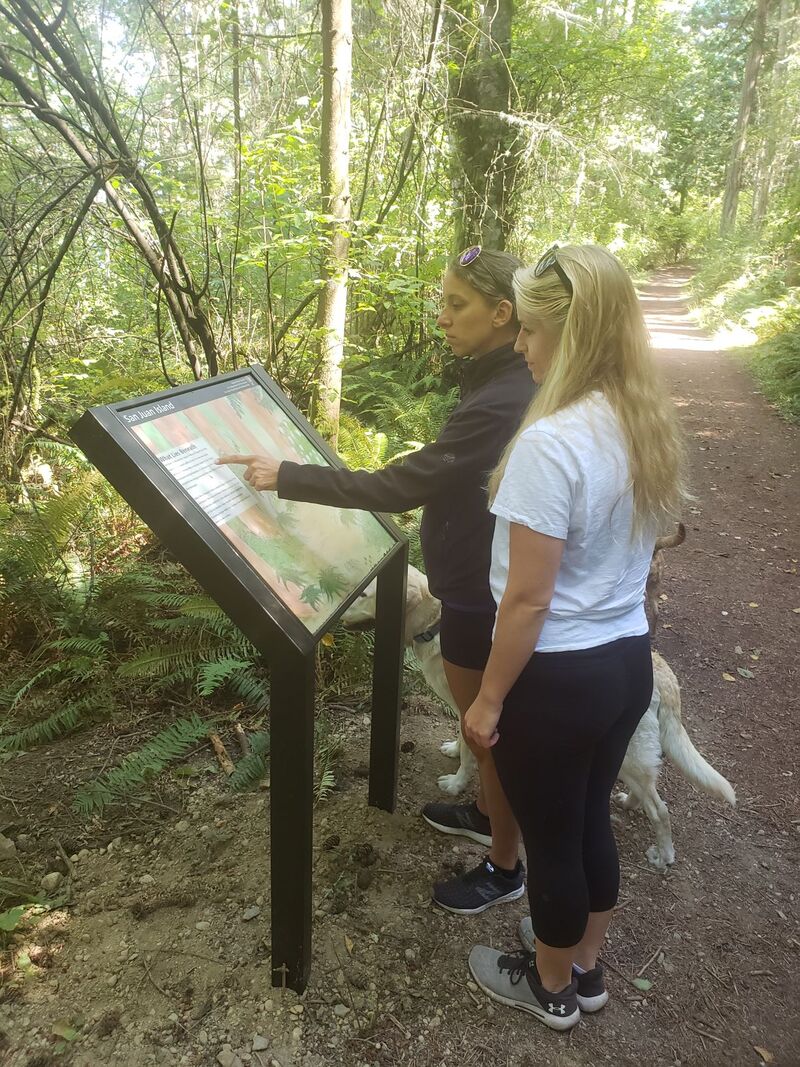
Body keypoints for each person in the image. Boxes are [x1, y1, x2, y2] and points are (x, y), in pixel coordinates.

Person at [218, 247, 535, 912]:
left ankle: (506, 865)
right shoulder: (495, 376)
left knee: (488, 731)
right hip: (470, 576)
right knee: (484, 731)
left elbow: (405, 481)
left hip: (481, 591)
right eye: (441, 300)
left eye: (457, 304)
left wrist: (291, 476)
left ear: (503, 313)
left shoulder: (505, 395)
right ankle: (487, 811)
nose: (441, 316)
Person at [463, 244, 686, 1031]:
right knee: (591, 814)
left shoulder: (549, 444)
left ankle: (549, 985)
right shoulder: (641, 421)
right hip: (626, 659)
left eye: (529, 330)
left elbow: (527, 598)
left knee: (553, 838)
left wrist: (488, 697)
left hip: (553, 675)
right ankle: (585, 967)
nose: (520, 345)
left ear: (573, 334)